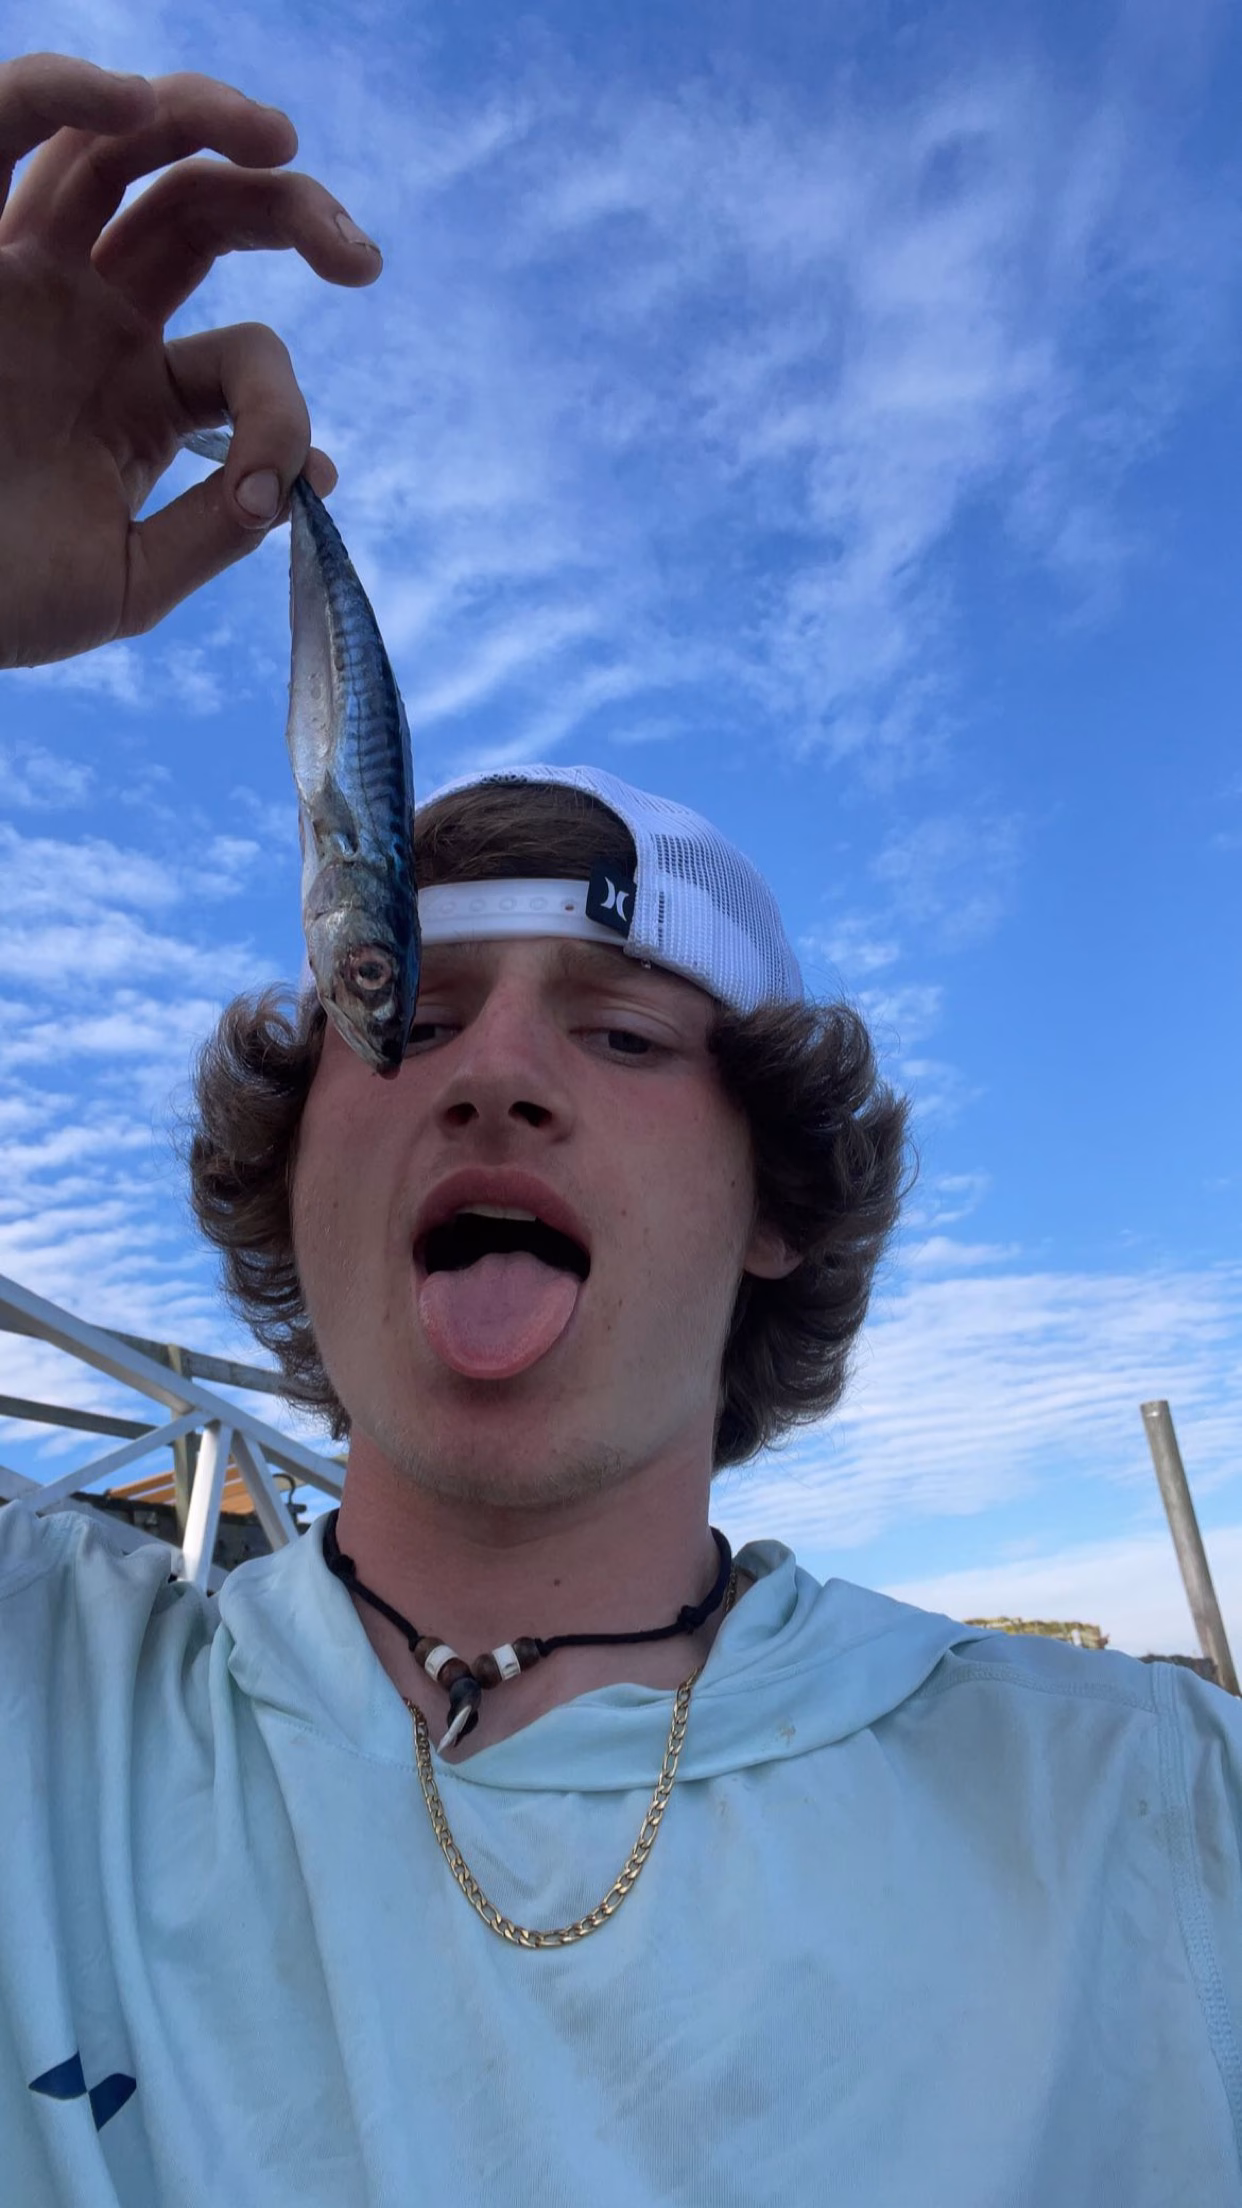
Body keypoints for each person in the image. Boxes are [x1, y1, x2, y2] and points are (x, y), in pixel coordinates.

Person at [1, 50, 1239, 2208]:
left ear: (776, 1205)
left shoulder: (1151, 1822)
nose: (494, 1074)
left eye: (630, 1038)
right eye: (405, 1014)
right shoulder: (41, 1700)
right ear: (294, 1172)